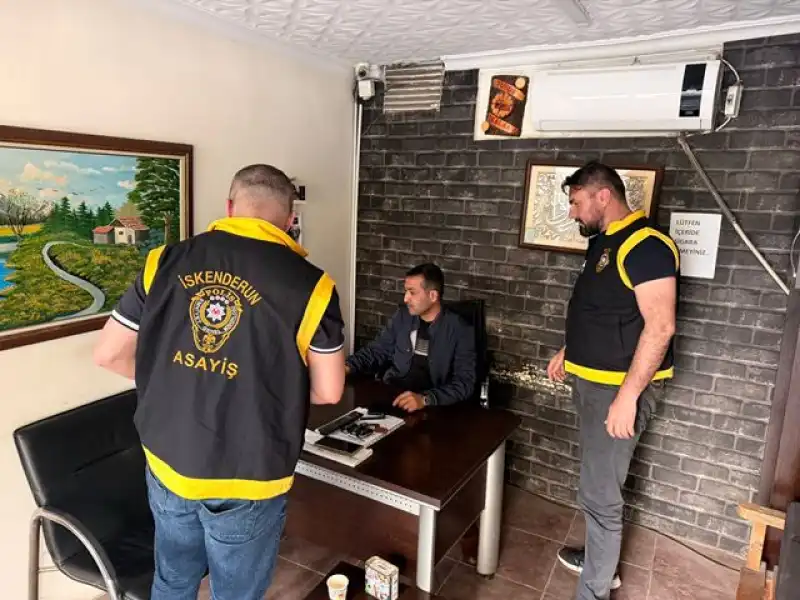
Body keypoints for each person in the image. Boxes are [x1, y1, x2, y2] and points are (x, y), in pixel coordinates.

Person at [93, 164, 346, 600]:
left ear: (229, 207)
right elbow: (329, 391)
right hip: (248, 474)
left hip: (169, 461)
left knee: (173, 579)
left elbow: (108, 354)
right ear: (290, 219)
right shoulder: (313, 287)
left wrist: (174, 377)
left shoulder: (164, 261)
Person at [546, 161, 679, 600]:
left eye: (576, 202)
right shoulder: (604, 242)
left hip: (616, 393)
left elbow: (660, 327)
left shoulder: (647, 246)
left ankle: (595, 590)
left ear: (603, 196)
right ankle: (599, 563)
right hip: (593, 385)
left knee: (600, 492)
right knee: (595, 480)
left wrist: (628, 397)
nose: (572, 212)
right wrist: (570, 350)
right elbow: (603, 311)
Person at [345, 263, 477, 412]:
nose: (406, 298)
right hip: (393, 395)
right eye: (406, 292)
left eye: (412, 292)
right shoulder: (403, 316)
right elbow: (377, 351)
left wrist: (425, 399)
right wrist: (347, 367)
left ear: (433, 296)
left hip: (431, 407)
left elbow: (465, 383)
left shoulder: (460, 329)